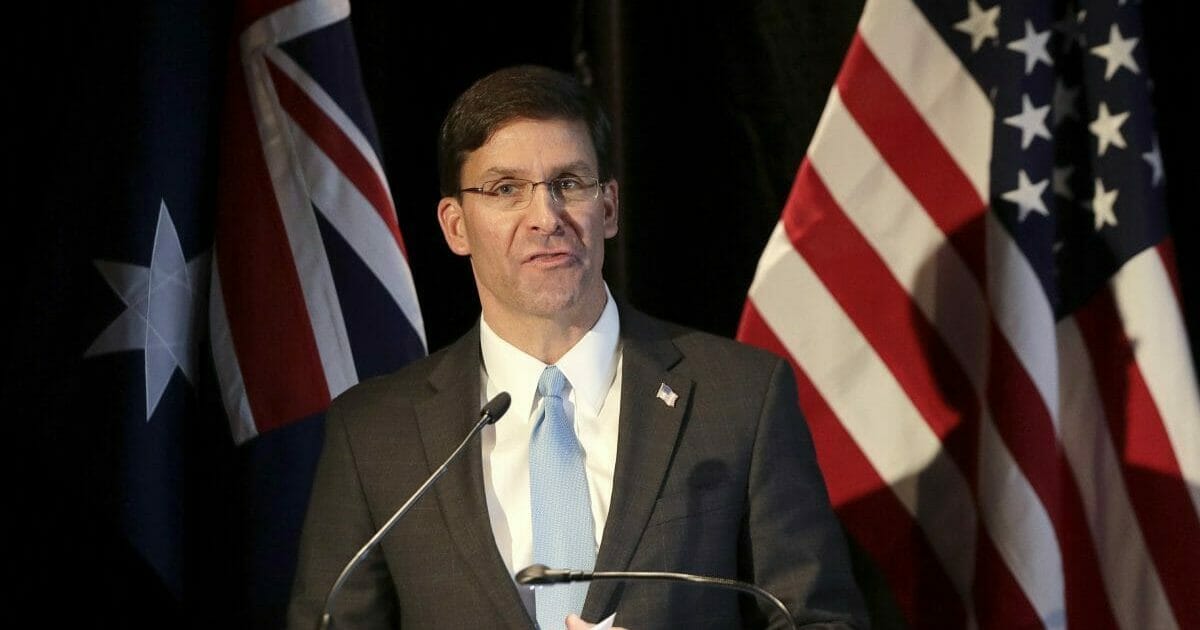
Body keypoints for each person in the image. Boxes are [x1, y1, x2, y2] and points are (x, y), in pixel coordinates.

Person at [287, 64, 868, 629]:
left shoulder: (740, 397)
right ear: (455, 225)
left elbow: (821, 619)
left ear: (609, 207)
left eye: (568, 183)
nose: (546, 217)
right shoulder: (373, 434)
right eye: (506, 189)